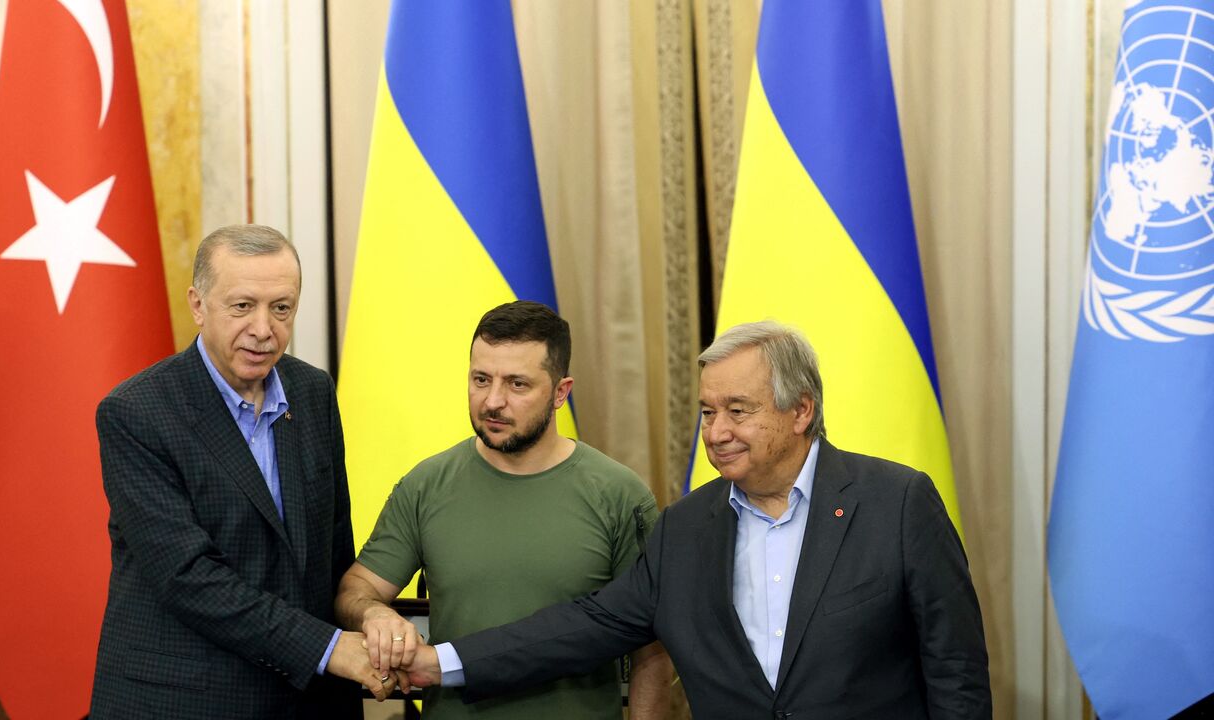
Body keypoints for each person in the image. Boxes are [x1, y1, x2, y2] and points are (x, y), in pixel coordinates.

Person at [399, 321, 991, 718]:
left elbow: (956, 670)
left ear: (801, 411)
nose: (716, 433)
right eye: (707, 412)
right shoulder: (685, 529)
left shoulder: (897, 503)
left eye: (738, 411)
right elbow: (582, 627)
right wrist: (439, 663)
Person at [90, 225, 395, 718]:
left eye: (282, 307)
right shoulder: (136, 412)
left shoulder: (313, 392)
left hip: (307, 696)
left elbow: (332, 548)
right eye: (241, 306)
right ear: (197, 305)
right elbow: (188, 577)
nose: (263, 328)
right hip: (186, 698)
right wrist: (328, 648)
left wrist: (366, 620)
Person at [334, 300, 671, 719]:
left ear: (561, 392)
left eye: (517, 384)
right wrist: (374, 614)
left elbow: (652, 650)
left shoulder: (620, 496)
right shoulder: (426, 485)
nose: (492, 401)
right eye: (480, 379)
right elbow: (355, 590)